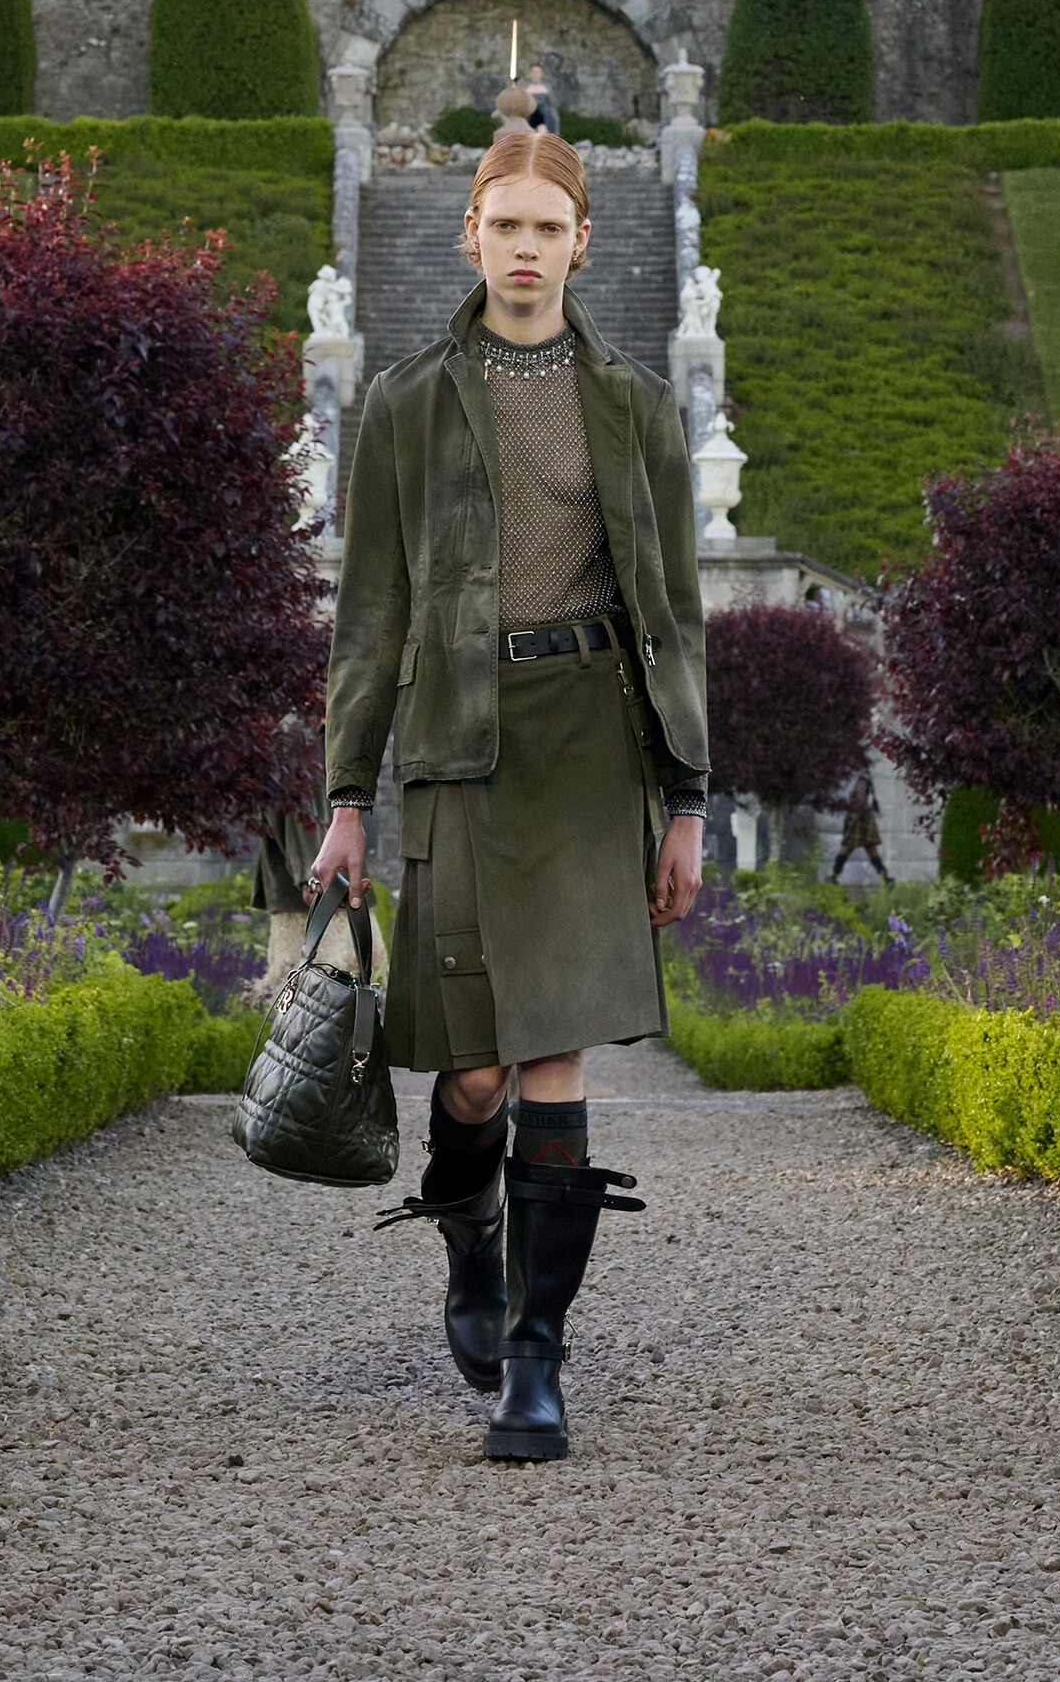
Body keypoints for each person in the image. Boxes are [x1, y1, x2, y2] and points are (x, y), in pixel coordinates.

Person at [310, 132, 709, 1462]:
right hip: (459, 745)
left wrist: (689, 801)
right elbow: (369, 616)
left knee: (552, 1062)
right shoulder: (406, 402)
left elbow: (676, 614)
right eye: (505, 225)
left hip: (592, 747)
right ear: (470, 234)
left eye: (548, 227)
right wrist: (347, 796)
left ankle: (538, 1361)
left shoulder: (637, 404)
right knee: (473, 1075)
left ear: (582, 241)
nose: (526, 247)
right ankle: (468, 1233)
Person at [831, 771, 892, 886]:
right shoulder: (860, 778)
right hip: (861, 818)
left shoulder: (861, 780)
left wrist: (854, 819)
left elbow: (861, 799)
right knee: (867, 851)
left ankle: (833, 876)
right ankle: (886, 879)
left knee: (852, 849)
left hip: (861, 820)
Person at [525, 63, 560, 137]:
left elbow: (552, 108)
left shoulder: (547, 88)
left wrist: (556, 127)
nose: (535, 75)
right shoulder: (526, 88)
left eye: (537, 72)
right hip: (529, 119)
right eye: (533, 72)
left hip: (544, 120)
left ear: (541, 74)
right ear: (530, 74)